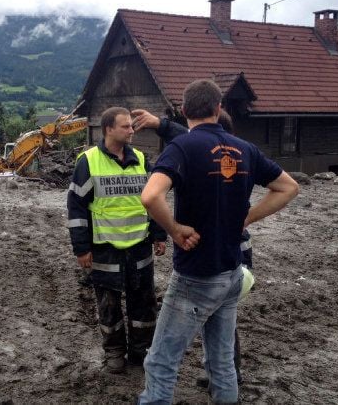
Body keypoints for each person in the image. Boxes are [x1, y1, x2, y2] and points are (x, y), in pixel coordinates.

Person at [137, 80, 298, 404]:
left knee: (160, 362)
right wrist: (248, 217)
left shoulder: (182, 147)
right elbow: (288, 187)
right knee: (222, 362)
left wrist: (174, 228)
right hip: (232, 272)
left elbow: (151, 195)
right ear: (218, 108)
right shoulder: (245, 149)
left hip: (196, 276)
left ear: (184, 111)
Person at [131, 107, 252, 385]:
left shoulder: (208, 155)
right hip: (237, 256)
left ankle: (227, 374)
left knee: (171, 352)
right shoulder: (240, 154)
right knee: (222, 318)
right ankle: (225, 378)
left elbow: (189, 142)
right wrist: (160, 124)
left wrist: (173, 230)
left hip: (216, 260)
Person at [67, 107, 167, 374]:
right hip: (105, 249)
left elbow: (154, 200)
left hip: (139, 248)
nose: (132, 130)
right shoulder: (88, 162)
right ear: (108, 129)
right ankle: (114, 352)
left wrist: (159, 235)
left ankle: (139, 351)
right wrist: (81, 248)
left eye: (132, 126)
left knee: (143, 303)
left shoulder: (142, 161)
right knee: (108, 304)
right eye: (126, 126)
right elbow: (76, 208)